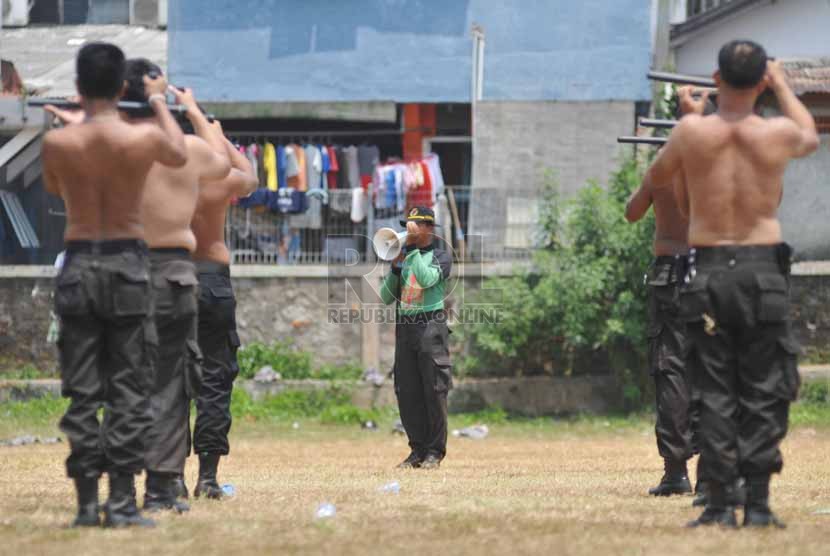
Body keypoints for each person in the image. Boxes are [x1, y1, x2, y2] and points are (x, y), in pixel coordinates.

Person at [641, 40, 819, 528]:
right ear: (761, 81)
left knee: (713, 387)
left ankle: (719, 502)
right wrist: (781, 84)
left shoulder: (691, 135)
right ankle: (757, 503)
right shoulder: (778, 132)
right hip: (762, 269)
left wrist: (688, 119)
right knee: (764, 387)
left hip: (709, 267)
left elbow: (657, 178)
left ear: (717, 80)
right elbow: (811, 135)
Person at [40, 42, 187, 528]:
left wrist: (76, 122)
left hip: (80, 261)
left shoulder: (59, 143)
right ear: (123, 87)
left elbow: (55, 188)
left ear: (80, 88)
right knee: (129, 385)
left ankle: (85, 503)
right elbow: (178, 152)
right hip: (127, 262)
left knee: (83, 390)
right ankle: (122, 501)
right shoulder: (140, 140)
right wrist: (160, 100)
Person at [121, 59, 232, 512]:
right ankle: (163, 489)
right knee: (171, 384)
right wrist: (189, 109)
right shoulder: (184, 149)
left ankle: (123, 488)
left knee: (124, 382)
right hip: (171, 270)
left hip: (121, 268)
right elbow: (224, 163)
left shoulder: (101, 146)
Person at [625, 86, 711, 498]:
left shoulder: (661, 168)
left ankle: (676, 471)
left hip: (671, 274)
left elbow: (631, 212)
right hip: (713, 273)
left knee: (672, 369)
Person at [177, 123, 258, 500]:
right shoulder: (216, 183)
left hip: (170, 279)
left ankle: (171, 477)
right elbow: (250, 177)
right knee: (214, 382)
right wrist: (218, 134)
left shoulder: (155, 180)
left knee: (172, 382)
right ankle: (207, 479)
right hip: (212, 281)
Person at [380, 206, 453, 469]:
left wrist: (412, 253)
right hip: (406, 326)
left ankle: (434, 451)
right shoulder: (406, 258)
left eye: (415, 225)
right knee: (407, 391)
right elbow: (385, 297)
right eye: (408, 225)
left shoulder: (440, 256)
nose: (409, 229)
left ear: (429, 228)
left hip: (430, 326)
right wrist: (396, 269)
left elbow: (425, 279)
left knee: (433, 390)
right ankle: (417, 450)